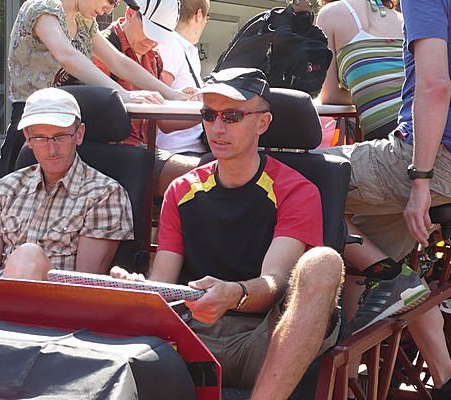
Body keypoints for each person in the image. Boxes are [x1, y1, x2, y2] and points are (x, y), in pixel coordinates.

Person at [112, 68, 345, 399]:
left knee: (323, 262)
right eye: (209, 115)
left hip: (266, 339)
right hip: (191, 336)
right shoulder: (181, 190)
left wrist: (234, 294)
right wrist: (139, 291)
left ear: (262, 123)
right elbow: (164, 280)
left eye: (232, 116)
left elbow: (276, 282)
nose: (217, 128)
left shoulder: (296, 190)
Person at [315, 0, 451, 396]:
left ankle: (392, 277)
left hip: (424, 158)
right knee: (361, 253)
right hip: (420, 159)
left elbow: (435, 86)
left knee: (298, 179)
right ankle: (443, 378)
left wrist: (420, 180)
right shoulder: (393, 16)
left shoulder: (339, 15)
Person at [0, 0, 191, 182]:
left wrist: (172, 94)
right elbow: (67, 56)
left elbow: (119, 62)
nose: (110, 8)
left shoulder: (84, 23)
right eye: (110, 0)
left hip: (72, 130)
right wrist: (123, 94)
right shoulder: (41, 8)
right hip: (36, 127)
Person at [0, 88, 134, 280]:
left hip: (59, 296)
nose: (52, 149)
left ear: (79, 134)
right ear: (28, 138)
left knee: (28, 255)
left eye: (61, 136)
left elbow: (85, 282)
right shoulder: (5, 188)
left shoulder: (104, 194)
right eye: (40, 138)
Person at [93, 0, 202, 197]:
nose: (152, 42)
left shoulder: (155, 57)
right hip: (111, 154)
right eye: (150, 32)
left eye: (159, 36)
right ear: (129, 14)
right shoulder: (103, 45)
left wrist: (200, 104)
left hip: (145, 151)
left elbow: (163, 122)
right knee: (200, 177)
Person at [316, 0, 404, 141]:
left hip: (395, 137)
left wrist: (369, 93)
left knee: (316, 154)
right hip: (429, 122)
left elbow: (329, 96)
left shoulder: (329, 14)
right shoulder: (402, 19)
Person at [155, 0, 210, 156]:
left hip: (194, 148)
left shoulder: (187, 49)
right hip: (177, 150)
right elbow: (160, 114)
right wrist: (210, 110)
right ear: (199, 15)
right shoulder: (170, 46)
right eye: (207, 18)